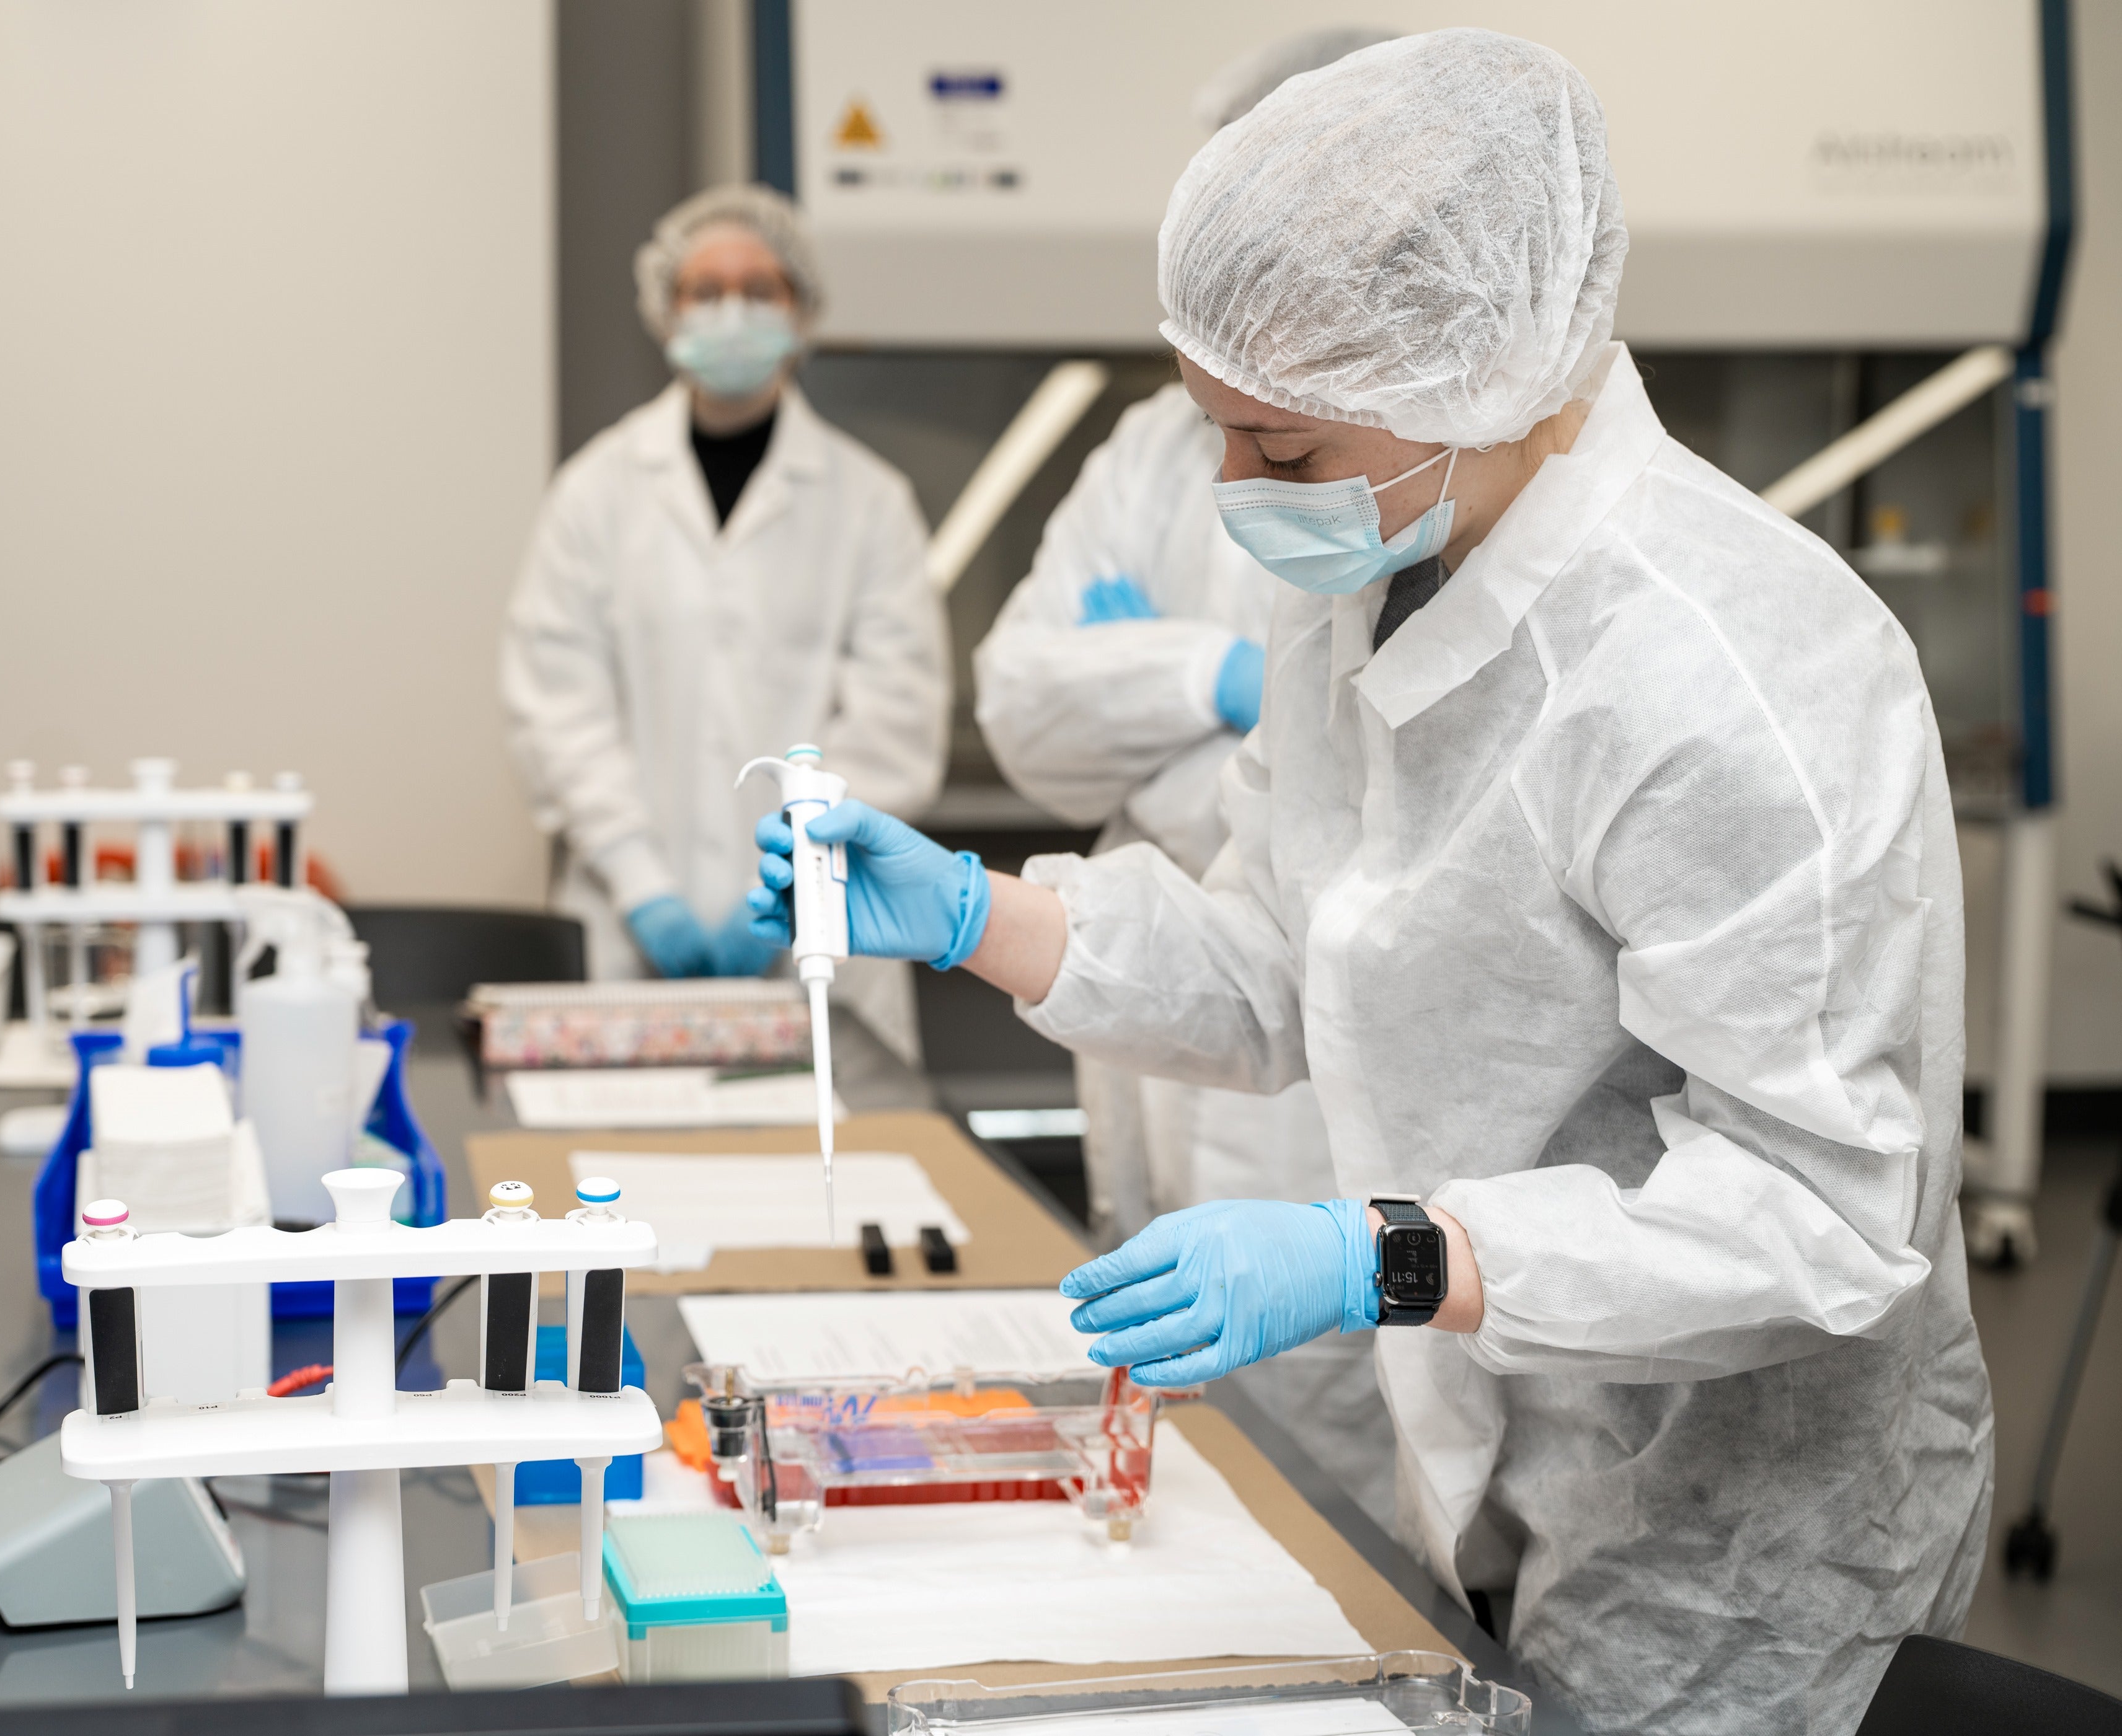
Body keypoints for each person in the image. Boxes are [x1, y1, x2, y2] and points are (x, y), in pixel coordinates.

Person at [750, 32, 1989, 1735]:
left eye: (1280, 449)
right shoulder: (1373, 573)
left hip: (1736, 1539)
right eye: (1220, 434)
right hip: (1492, 1446)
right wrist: (986, 915)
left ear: (1476, 375)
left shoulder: (1728, 675)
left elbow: (1820, 1215)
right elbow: (1289, 947)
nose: (1233, 496)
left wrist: (1387, 1258)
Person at [971, 26, 1396, 1532]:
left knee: (1331, 1435)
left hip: (1333, 1057)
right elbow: (1024, 702)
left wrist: (1134, 675)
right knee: (1157, 1370)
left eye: (1277, 453)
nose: (1242, 488)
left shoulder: (1433, 495)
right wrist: (1199, 681)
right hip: (1172, 966)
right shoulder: (1157, 452)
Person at [502, 184, 947, 1058]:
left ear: (803, 310)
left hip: (820, 930)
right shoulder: (597, 492)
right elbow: (557, 704)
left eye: (760, 288)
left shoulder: (869, 503)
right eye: (705, 290)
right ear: (666, 311)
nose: (731, 311)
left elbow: (894, 720)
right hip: (630, 934)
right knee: (621, 1182)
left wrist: (787, 890)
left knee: (826, 1168)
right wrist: (643, 887)